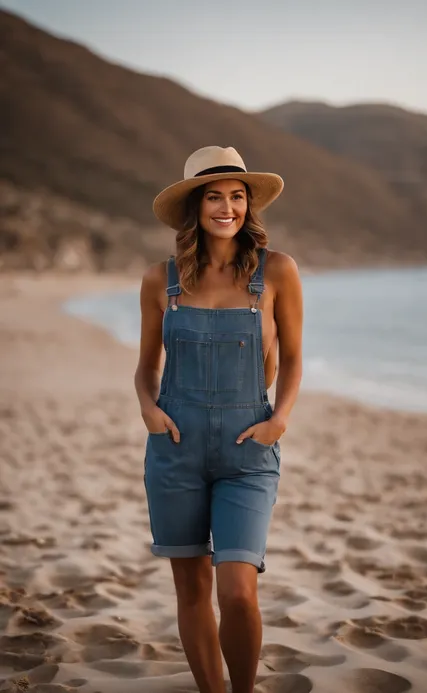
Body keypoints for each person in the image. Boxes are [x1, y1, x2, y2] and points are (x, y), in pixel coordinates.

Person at [134, 145, 303, 693]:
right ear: (195, 208)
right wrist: (149, 410)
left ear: (248, 206)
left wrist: (279, 420)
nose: (226, 207)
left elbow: (295, 358)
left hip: (247, 453)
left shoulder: (277, 271)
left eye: (236, 196)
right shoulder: (161, 281)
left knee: (236, 589)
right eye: (214, 197)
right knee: (190, 590)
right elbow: (145, 368)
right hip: (175, 451)